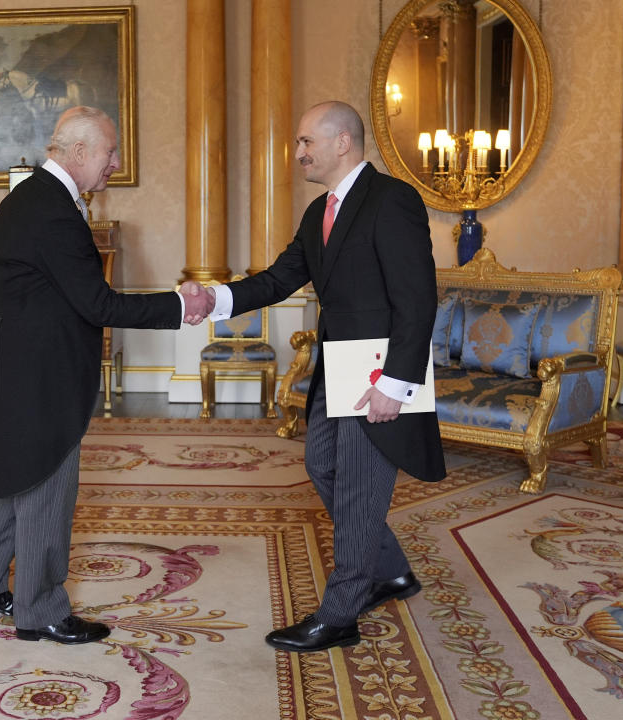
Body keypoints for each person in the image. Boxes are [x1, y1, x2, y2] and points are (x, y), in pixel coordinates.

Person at [184, 101, 445, 653]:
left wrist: (394, 385)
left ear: (343, 143)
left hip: (377, 375)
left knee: (355, 484)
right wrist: (216, 298)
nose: (298, 153)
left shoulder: (392, 200)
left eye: (306, 142)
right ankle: (392, 570)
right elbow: (280, 278)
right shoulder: (318, 212)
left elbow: (417, 299)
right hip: (337, 369)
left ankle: (342, 611)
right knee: (321, 463)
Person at [0, 106, 214, 646]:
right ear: (76, 152)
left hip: (18, 366)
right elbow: (98, 304)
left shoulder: (19, 201)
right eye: (109, 152)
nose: (115, 163)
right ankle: (40, 611)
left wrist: (1, 359)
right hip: (45, 376)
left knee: (17, 481)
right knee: (47, 487)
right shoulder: (54, 211)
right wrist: (177, 305)